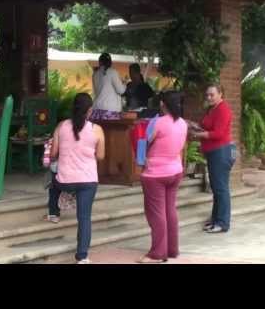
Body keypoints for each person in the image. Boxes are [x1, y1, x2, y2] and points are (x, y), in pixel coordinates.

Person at [47, 93, 105, 264]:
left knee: (53, 182)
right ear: (90, 111)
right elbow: (100, 156)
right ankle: (82, 257)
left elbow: (53, 154)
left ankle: (54, 212)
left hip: (66, 180)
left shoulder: (61, 126)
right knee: (84, 218)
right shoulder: (97, 130)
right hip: (88, 181)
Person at [138, 91, 187, 263]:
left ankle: (158, 254)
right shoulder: (182, 123)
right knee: (170, 210)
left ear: (162, 104)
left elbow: (144, 142)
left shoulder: (156, 122)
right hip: (175, 171)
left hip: (155, 174)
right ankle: (172, 249)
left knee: (156, 214)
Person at [191, 84, 235, 234]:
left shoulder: (223, 109)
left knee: (221, 188)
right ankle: (215, 220)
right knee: (216, 188)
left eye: (212, 95)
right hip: (214, 151)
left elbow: (219, 133)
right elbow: (208, 127)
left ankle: (222, 223)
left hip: (221, 152)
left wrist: (199, 135)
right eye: (207, 95)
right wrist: (195, 126)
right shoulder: (213, 109)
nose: (209, 97)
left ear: (220, 94)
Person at [91, 53, 126, 120]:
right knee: (111, 130)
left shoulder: (95, 74)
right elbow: (121, 90)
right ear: (110, 62)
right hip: (110, 110)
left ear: (100, 62)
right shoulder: (112, 72)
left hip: (97, 110)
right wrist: (124, 84)